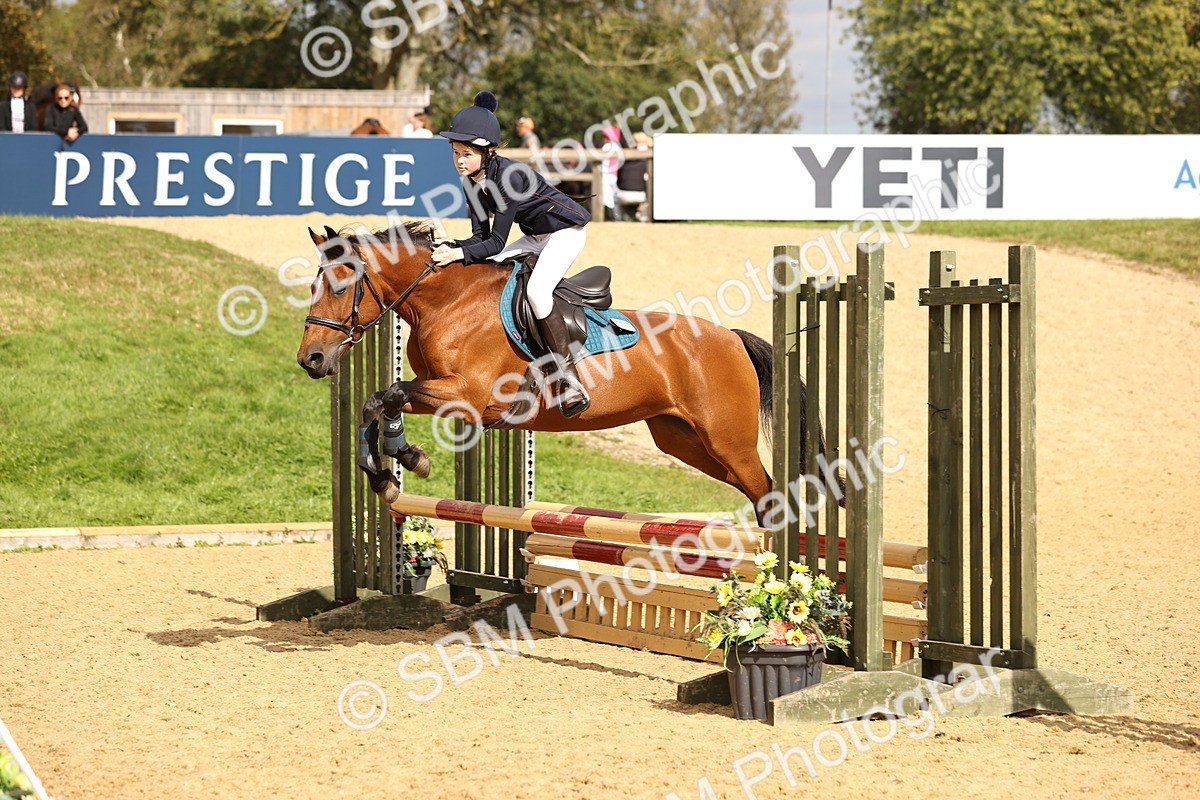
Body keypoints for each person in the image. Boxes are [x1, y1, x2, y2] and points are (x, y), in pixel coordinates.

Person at [431, 91, 593, 418]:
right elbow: (480, 238)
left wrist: (457, 254)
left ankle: (568, 376)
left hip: (565, 233)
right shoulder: (472, 182)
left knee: (536, 291)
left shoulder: (508, 178)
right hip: (535, 236)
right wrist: (454, 249)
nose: (459, 160)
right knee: (487, 270)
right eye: (456, 153)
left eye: (467, 154)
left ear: (488, 152)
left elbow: (494, 242)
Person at [614, 131, 651, 221]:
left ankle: (618, 218)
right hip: (642, 194)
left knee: (616, 198)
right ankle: (644, 218)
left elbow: (618, 181)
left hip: (624, 193)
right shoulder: (648, 157)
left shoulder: (624, 161)